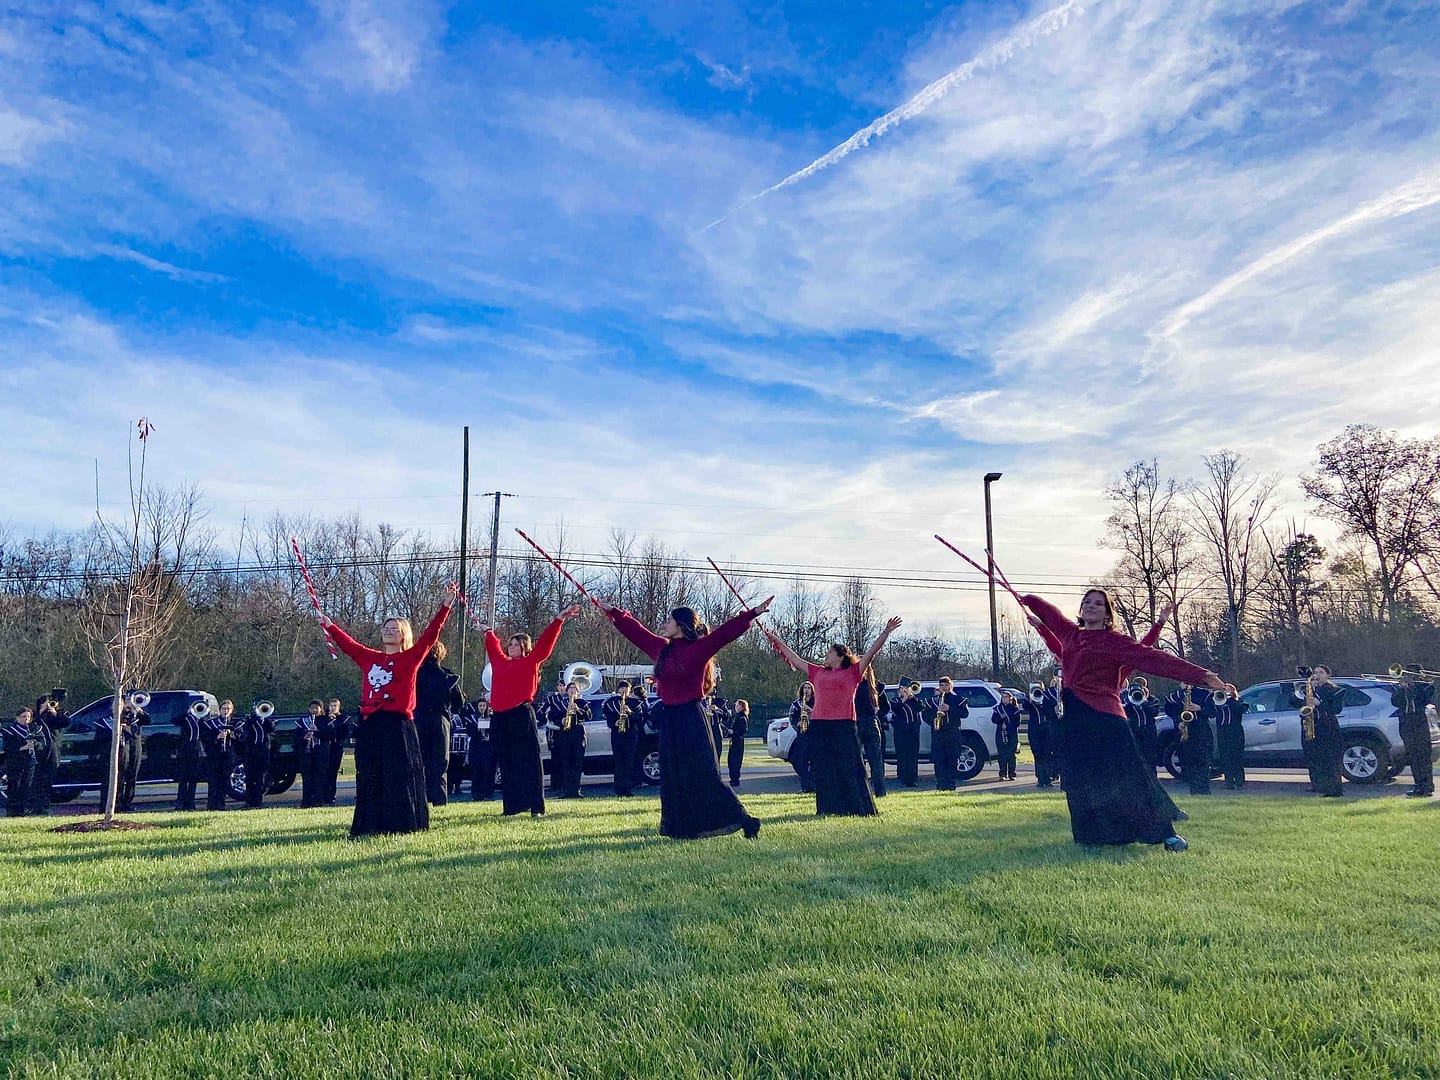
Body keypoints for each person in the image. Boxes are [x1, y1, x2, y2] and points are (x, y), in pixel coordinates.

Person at [1021, 588, 1225, 852]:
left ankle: (1165, 834)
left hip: (1106, 717)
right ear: (1081, 609)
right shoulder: (1072, 635)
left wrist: (1203, 676)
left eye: (1098, 603)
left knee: (1131, 777)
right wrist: (1029, 599)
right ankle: (1092, 837)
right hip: (1075, 718)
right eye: (1087, 602)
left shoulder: (1114, 641)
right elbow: (1052, 615)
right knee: (1082, 779)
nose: (1091, 606)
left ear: (1108, 613)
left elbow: (1153, 658)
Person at [601, 600, 772, 839]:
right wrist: (613, 612)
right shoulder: (662, 648)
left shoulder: (698, 648)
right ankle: (683, 829)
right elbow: (636, 631)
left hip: (691, 718)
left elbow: (725, 633)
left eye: (669, 620)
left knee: (703, 774)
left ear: (681, 625)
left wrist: (751, 614)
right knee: (673, 775)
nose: (665, 624)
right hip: (670, 719)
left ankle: (745, 821)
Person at [320, 589, 455, 837]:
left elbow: (430, 635)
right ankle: (370, 824)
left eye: (395, 628)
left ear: (404, 635)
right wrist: (330, 626)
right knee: (370, 774)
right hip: (371, 723)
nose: (389, 631)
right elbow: (349, 645)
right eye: (386, 627)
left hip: (398, 723)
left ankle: (402, 823)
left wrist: (444, 607)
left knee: (399, 775)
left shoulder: (411, 657)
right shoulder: (371, 658)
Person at [766, 617, 903, 817]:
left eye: (830, 652)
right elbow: (795, 659)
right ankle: (829, 808)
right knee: (824, 768)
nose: (826, 655)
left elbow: (871, 653)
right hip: (820, 725)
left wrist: (886, 632)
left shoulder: (853, 672)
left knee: (850, 767)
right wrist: (776, 639)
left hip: (844, 725)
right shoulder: (818, 672)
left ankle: (857, 808)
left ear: (840, 656)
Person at [475, 605, 579, 817]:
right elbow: (493, 645)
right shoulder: (500, 662)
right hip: (501, 718)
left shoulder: (531, 661)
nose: (511, 647)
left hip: (521, 714)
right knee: (507, 762)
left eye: (516, 644)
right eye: (510, 644)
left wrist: (558, 620)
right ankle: (512, 806)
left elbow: (546, 645)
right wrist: (487, 631)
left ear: (524, 647)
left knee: (530, 761)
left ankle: (536, 807)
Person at [414, 640, 464, 807]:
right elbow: (459, 702)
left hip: (418, 719)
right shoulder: (448, 676)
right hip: (439, 720)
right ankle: (439, 799)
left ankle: (419, 798)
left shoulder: (414, 675)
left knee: (419, 761)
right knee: (440, 762)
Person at [1294, 666, 1345, 797]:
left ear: (1328, 675)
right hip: (1310, 725)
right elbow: (1293, 702)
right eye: (1316, 672)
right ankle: (1318, 785)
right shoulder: (1309, 689)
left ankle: (1334, 790)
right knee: (1314, 758)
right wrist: (1303, 691)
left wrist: (1319, 703)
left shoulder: (1335, 690)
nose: (1317, 675)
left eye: (1321, 672)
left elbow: (1336, 709)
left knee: (1330, 759)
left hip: (1328, 728)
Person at [1392, 668, 1435, 798]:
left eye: (1410, 674)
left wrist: (1417, 686)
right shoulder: (1401, 688)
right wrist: (1401, 689)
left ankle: (1427, 786)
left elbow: (1425, 699)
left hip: (1420, 724)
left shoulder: (1424, 688)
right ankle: (1418, 785)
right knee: (1413, 756)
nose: (1407, 676)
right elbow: (1395, 702)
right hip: (1406, 724)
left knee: (1423, 756)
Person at [544, 681, 591, 799]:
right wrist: (561, 721)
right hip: (564, 734)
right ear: (566, 690)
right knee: (565, 762)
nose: (572, 690)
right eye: (570, 688)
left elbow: (589, 716)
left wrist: (579, 710)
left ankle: (576, 790)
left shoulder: (582, 702)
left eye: (575, 689)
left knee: (577, 763)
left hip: (578, 733)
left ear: (578, 691)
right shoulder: (561, 703)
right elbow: (551, 716)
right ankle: (566, 790)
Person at [1165, 686, 1215, 796]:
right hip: (1184, 728)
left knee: (1203, 760)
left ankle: (1204, 790)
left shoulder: (1204, 694)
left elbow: (1213, 712)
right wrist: (1178, 720)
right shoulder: (1176, 696)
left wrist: (1199, 708)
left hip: (1201, 729)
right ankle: (1194, 790)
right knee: (1188, 761)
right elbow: (1169, 710)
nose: (1186, 684)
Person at [28, 695, 70, 816]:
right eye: (45, 703)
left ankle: (45, 805)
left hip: (53, 749)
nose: (48, 705)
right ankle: (35, 805)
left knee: (48, 778)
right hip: (39, 749)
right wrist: (40, 712)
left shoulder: (59, 713)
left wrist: (54, 712)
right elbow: (32, 725)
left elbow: (66, 722)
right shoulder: (35, 715)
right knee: (36, 778)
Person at [930, 676, 970, 791]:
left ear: (950, 686)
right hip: (938, 733)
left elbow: (964, 713)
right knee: (939, 760)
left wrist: (949, 708)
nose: (944, 687)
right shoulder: (933, 700)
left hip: (952, 732)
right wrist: (934, 720)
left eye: (946, 685)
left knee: (952, 759)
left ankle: (950, 784)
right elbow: (925, 714)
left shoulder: (958, 699)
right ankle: (940, 784)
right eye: (942, 685)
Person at [603, 681, 642, 796]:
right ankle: (618, 789)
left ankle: (628, 789)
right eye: (622, 688)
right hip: (617, 734)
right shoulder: (611, 702)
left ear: (630, 690)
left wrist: (629, 711)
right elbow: (607, 716)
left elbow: (639, 718)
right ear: (619, 689)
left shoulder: (635, 702)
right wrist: (613, 723)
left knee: (629, 761)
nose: (624, 690)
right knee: (618, 761)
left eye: (627, 688)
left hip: (630, 734)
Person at [855, 668, 886, 797]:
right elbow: (886, 706)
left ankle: (860, 792)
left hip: (857, 722)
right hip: (871, 722)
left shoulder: (854, 685)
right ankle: (880, 792)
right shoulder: (876, 685)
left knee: (857, 759)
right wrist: (877, 714)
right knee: (876, 760)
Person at [200, 700, 236, 811]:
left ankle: (221, 805)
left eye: (228, 709)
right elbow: (205, 738)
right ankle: (211, 805)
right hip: (215, 756)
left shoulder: (233, 724)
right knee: (213, 781)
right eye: (224, 709)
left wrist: (233, 735)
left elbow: (242, 738)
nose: (226, 711)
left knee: (224, 781)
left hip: (227, 755)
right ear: (220, 710)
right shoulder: (212, 723)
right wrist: (217, 737)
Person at [237, 704, 274, 809]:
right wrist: (252, 719)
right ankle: (249, 801)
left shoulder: (267, 720)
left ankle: (258, 801)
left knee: (260, 778)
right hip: (250, 751)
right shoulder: (249, 720)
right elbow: (244, 733)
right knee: (249, 777)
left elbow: (272, 729)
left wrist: (265, 718)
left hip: (263, 751)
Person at [2, 706, 37, 816]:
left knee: (26, 786)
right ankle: (12, 812)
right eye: (23, 717)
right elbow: (8, 748)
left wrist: (35, 744)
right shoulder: (9, 730)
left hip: (29, 762)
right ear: (17, 717)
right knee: (14, 786)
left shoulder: (33, 729)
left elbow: (42, 743)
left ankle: (22, 811)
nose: (26, 719)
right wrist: (23, 747)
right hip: (15, 762)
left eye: (28, 717)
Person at [1124, 678, 1162, 776]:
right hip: (1134, 731)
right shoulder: (1129, 701)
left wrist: (1144, 701)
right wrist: (1131, 701)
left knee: (1150, 757)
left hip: (1148, 733)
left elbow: (1153, 712)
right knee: (1135, 757)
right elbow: (1126, 712)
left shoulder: (1153, 700)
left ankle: (1153, 779)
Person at [1213, 685, 1248, 790]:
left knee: (1236, 756)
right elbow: (1212, 712)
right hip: (1223, 732)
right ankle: (1228, 782)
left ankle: (1239, 781)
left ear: (1233, 692)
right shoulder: (1218, 704)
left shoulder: (1237, 703)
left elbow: (1241, 708)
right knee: (1225, 757)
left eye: (1227, 690)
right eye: (1224, 690)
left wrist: (1230, 700)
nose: (1225, 692)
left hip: (1235, 732)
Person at [890, 681, 923, 788]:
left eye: (906, 689)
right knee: (902, 755)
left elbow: (920, 707)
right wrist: (903, 699)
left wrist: (912, 697)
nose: (905, 690)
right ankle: (903, 779)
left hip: (913, 731)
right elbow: (896, 709)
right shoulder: (895, 700)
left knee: (913, 756)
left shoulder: (913, 700)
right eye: (902, 689)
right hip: (901, 732)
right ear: (899, 690)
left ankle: (912, 779)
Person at [319, 698, 351, 805]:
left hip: (336, 749)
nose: (332, 708)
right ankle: (323, 795)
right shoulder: (324, 718)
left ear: (338, 707)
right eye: (331, 706)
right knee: (324, 772)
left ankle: (331, 795)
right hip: (324, 749)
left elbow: (345, 733)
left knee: (332, 773)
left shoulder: (343, 719)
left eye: (334, 706)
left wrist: (338, 741)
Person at [174, 701, 205, 811]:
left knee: (193, 778)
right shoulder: (185, 718)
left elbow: (204, 732)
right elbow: (175, 721)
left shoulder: (200, 720)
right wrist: (187, 713)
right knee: (183, 778)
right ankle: (180, 802)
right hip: (184, 750)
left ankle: (190, 802)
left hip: (196, 751)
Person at [787, 682, 816, 793]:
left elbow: (821, 712)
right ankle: (805, 786)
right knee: (802, 760)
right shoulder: (797, 704)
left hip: (814, 733)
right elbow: (791, 717)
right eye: (805, 688)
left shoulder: (817, 701)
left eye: (809, 688)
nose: (807, 690)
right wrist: (797, 723)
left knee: (814, 760)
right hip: (802, 734)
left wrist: (810, 710)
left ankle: (814, 785)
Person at [297, 700, 326, 808]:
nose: (313, 710)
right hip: (307, 753)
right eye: (312, 708)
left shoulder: (325, 720)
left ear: (320, 709)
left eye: (316, 708)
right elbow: (297, 736)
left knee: (318, 778)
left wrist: (317, 731)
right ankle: (306, 801)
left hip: (320, 753)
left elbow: (329, 735)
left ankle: (317, 800)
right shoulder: (303, 721)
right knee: (307, 778)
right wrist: (304, 737)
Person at [466, 700, 498, 801]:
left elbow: (495, 731)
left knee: (488, 769)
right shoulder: (472, 718)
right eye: (480, 706)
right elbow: (469, 731)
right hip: (477, 747)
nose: (482, 708)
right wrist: (477, 729)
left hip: (488, 747)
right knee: (477, 770)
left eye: (484, 706)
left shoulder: (492, 718)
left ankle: (488, 793)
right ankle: (476, 793)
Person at [992, 691, 1023, 781]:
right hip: (1000, 734)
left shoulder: (1015, 709)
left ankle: (1012, 774)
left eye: (1006, 697)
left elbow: (1017, 723)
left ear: (1010, 698)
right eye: (1003, 697)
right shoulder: (998, 708)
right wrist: (1001, 717)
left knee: (1010, 755)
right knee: (1001, 755)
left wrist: (1008, 726)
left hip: (1012, 734)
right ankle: (1002, 774)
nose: (1004, 699)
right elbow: (994, 719)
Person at [726, 699, 750, 788]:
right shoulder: (738, 717)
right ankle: (733, 778)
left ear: (741, 707)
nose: (735, 707)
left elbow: (743, 730)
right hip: (735, 741)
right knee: (731, 760)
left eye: (737, 705)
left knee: (735, 761)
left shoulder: (742, 717)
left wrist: (733, 732)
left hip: (738, 741)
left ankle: (735, 780)